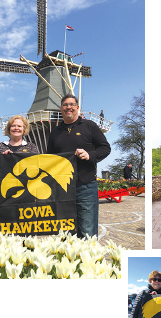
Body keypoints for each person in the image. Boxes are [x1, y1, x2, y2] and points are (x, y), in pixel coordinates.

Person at [46, 94, 111, 238]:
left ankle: (87, 259)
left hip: (85, 185)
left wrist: (90, 155)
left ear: (77, 107)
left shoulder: (89, 126)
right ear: (61, 109)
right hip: (62, 188)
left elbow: (105, 148)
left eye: (71, 104)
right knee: (64, 231)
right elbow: (49, 158)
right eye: (65, 105)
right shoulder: (55, 132)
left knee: (87, 229)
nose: (68, 107)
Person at [0, 115, 39, 211]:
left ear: (24, 129)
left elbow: (36, 171)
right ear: (9, 128)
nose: (16, 128)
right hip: (5, 195)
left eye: (19, 126)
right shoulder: (0, 147)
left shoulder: (31, 147)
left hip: (26, 196)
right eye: (13, 126)